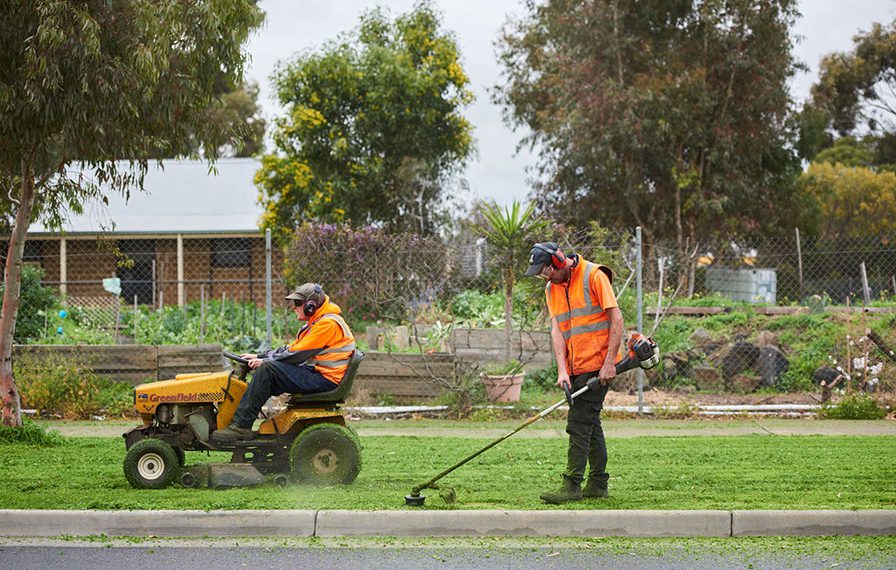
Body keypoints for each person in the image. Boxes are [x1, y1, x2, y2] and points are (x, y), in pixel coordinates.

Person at [525, 241, 624, 503]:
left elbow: (617, 319)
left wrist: (610, 363)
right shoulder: (551, 289)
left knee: (578, 423)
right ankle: (598, 483)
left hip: (599, 364)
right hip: (574, 366)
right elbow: (557, 330)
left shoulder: (594, 275)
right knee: (591, 423)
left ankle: (572, 485)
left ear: (558, 262)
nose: (543, 277)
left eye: (545, 271)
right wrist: (562, 371)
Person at [211, 282, 355, 444]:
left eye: (297, 303)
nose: (293, 307)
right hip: (320, 375)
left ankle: (240, 426)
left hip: (325, 380)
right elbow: (292, 348)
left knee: (268, 369)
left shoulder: (327, 324)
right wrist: (259, 355)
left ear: (310, 307)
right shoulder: (319, 322)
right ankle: (241, 422)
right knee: (268, 370)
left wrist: (265, 361)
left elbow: (297, 354)